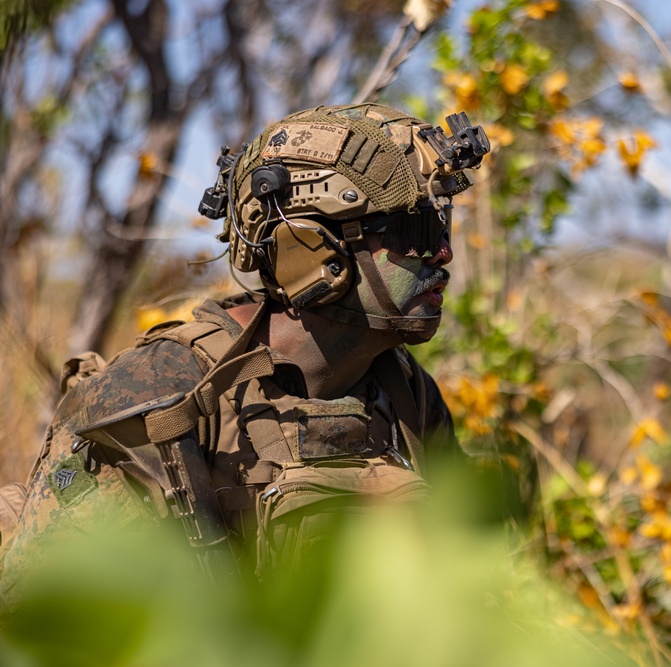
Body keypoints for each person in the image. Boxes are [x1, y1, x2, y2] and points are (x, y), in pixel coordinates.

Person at [0, 103, 490, 593]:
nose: (442, 252)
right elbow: (53, 626)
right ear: (310, 248)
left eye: (440, 227)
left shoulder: (402, 390)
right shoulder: (156, 396)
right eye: (414, 232)